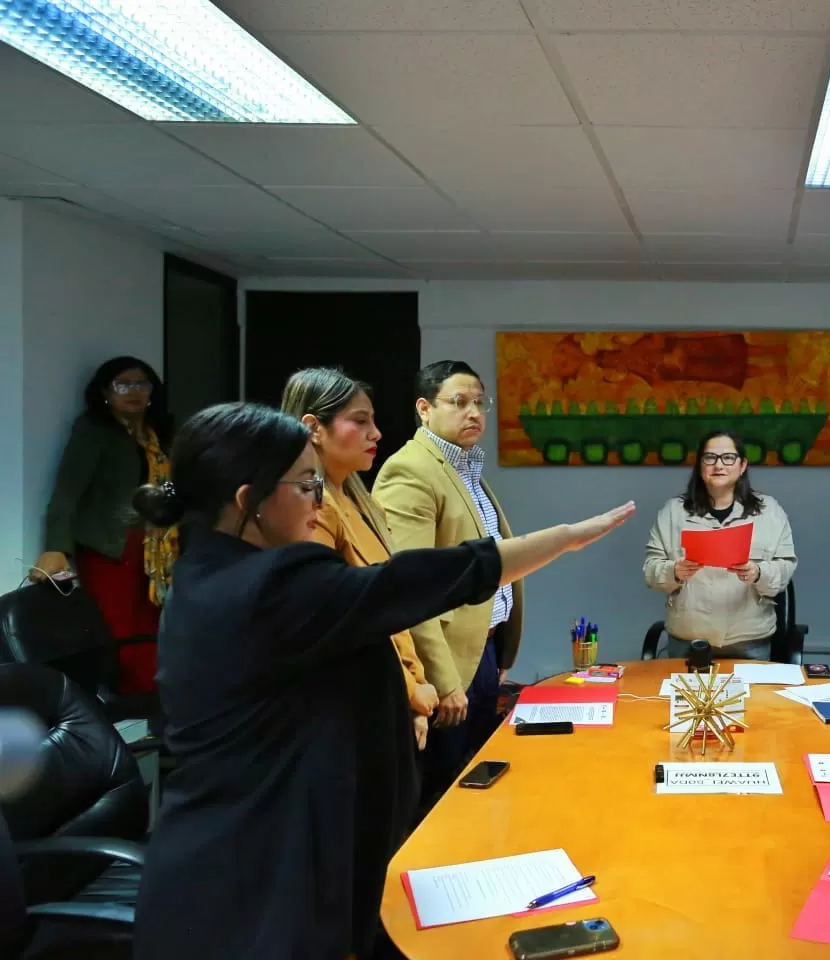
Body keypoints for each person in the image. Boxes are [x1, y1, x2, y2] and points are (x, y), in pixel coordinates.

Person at [130, 401, 633, 960]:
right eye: (306, 486)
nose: (320, 503)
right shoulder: (268, 588)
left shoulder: (208, 574)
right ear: (249, 500)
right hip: (256, 886)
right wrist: (564, 538)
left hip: (240, 860)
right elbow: (411, 583)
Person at [373, 360, 520, 803]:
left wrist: (499, 650)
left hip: (482, 653)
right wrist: (444, 679)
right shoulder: (411, 472)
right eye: (459, 402)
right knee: (445, 792)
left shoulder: (465, 468)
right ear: (424, 408)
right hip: (448, 668)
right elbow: (410, 587)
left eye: (480, 403)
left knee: (476, 783)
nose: (473, 412)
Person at [279, 367, 439, 751]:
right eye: (360, 421)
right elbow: (339, 622)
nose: (376, 433)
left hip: (397, 700)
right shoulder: (311, 508)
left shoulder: (358, 500)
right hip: (356, 710)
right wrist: (411, 692)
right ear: (313, 427)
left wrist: (416, 687)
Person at [34, 356, 175, 695]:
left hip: (154, 549)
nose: (134, 392)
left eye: (142, 384)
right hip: (109, 548)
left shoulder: (159, 434)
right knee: (119, 631)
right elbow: (67, 493)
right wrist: (56, 548)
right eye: (122, 385)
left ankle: (154, 702)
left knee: (154, 627)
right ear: (105, 393)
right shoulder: (94, 430)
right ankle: (129, 706)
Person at [643, 429, 797, 659]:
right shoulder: (673, 512)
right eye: (710, 458)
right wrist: (673, 571)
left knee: (752, 697)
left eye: (728, 458)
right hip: (688, 640)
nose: (719, 465)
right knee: (684, 696)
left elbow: (785, 569)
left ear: (742, 465)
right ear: (700, 465)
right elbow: (650, 570)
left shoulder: (770, 511)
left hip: (749, 641)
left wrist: (758, 572)